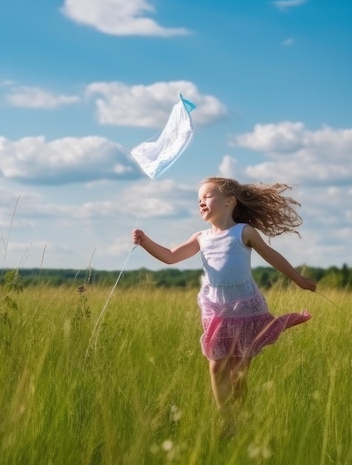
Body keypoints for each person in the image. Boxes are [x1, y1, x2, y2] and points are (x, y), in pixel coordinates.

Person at [132, 176, 316, 416]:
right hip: (217, 311)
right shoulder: (201, 237)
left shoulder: (244, 232)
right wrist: (145, 241)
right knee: (217, 367)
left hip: (245, 310)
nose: (201, 202)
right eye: (198, 199)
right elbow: (170, 256)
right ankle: (225, 419)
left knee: (238, 373)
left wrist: (299, 280)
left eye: (207, 196)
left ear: (229, 201)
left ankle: (241, 417)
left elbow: (273, 257)